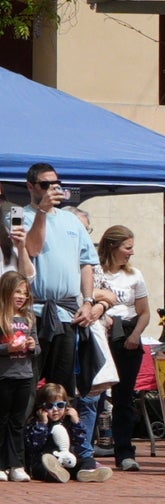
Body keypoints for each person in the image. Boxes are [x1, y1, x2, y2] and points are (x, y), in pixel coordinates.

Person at [17, 162, 104, 476]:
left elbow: (86, 262)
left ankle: (67, 454)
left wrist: (89, 299)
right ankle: (27, 454)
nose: (51, 189)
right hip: (35, 313)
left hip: (67, 314)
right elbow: (33, 249)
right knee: (28, 385)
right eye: (44, 184)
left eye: (55, 184)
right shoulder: (21, 216)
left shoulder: (71, 220)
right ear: (30, 186)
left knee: (63, 388)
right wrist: (41, 211)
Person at [92, 225, 150, 471]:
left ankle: (125, 452)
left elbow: (145, 312)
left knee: (124, 397)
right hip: (100, 337)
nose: (131, 252)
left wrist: (135, 335)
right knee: (93, 394)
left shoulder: (134, 275)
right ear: (112, 247)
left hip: (127, 339)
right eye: (127, 247)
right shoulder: (95, 272)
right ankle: (86, 448)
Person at [0, 269, 37, 481]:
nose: (22, 296)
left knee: (17, 421)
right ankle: (1, 464)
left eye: (24, 292)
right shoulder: (1, 317)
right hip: (4, 376)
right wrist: (8, 350)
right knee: (2, 420)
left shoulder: (29, 317)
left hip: (24, 376)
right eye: (17, 291)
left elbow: (38, 348)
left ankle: (16, 464)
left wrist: (32, 346)